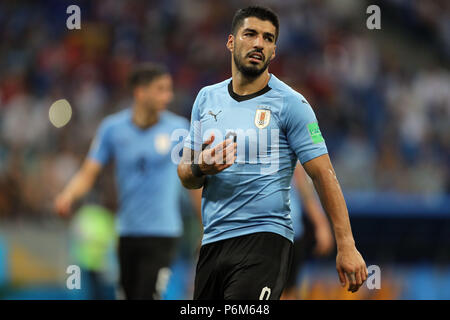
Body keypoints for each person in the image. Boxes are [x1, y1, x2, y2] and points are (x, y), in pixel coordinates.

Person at [177, 6, 368, 300]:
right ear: (231, 42)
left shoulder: (292, 104)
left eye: (268, 38)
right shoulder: (206, 99)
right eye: (250, 34)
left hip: (265, 241)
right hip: (214, 241)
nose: (259, 44)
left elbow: (323, 173)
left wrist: (347, 244)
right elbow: (186, 175)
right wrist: (200, 167)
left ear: (274, 51)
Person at [54, 63, 201, 300]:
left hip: (163, 232)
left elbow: (195, 180)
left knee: (149, 295)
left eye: (169, 89)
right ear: (140, 92)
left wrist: (206, 224)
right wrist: (68, 195)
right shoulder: (113, 129)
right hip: (126, 232)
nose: (168, 96)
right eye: (161, 89)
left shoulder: (179, 130)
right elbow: (89, 171)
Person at [281, 163, 334, 300]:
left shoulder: (288, 147)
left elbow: (306, 191)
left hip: (291, 231)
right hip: (262, 231)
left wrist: (321, 225)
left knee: (288, 292)